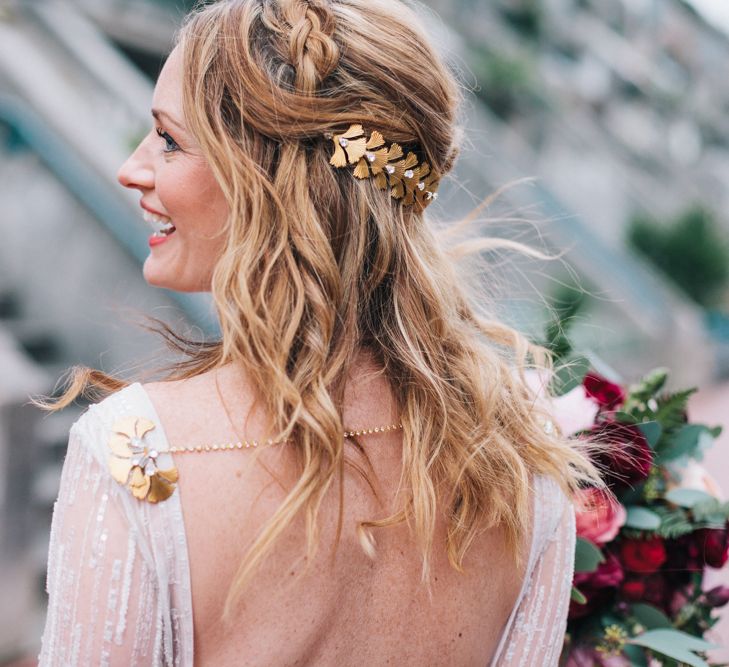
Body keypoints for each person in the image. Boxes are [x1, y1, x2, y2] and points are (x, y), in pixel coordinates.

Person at [37, 0, 605, 664]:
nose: (131, 169)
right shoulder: (523, 475)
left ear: (268, 176)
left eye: (167, 138)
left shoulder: (134, 453)